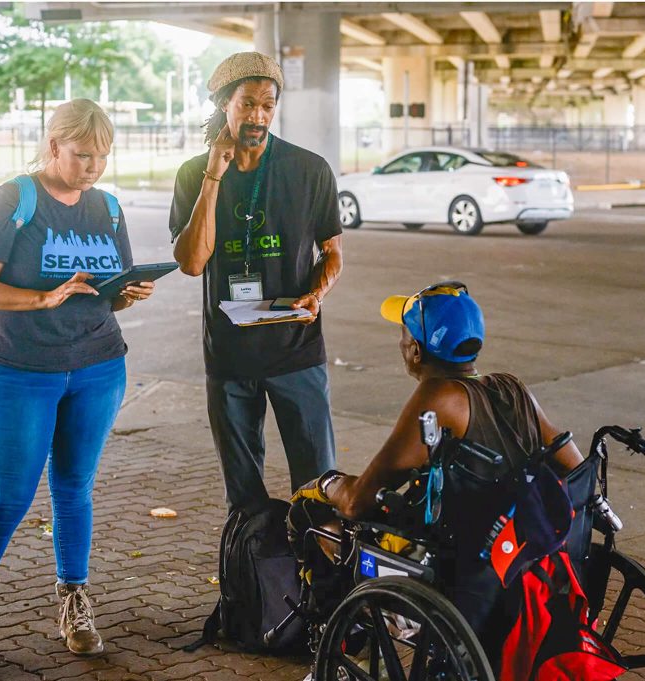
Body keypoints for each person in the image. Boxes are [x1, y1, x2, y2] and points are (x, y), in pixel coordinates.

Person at [0, 99, 156, 675]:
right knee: (7, 497)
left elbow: (107, 286)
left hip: (97, 365)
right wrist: (41, 297)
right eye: (83, 154)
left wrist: (124, 294)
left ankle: (74, 601)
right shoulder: (14, 199)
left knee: (74, 488)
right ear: (53, 145)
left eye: (103, 156)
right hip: (18, 366)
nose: (93, 167)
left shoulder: (108, 207)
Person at [290, 282, 584, 666]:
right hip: (522, 547)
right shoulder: (513, 388)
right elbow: (574, 467)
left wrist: (324, 484)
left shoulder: (438, 397)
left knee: (316, 522)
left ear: (415, 350)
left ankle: (341, 652)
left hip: (459, 563)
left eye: (403, 334)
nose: (401, 343)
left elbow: (358, 500)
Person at [168, 51, 344, 512]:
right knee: (243, 495)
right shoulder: (193, 174)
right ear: (224, 105)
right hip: (229, 356)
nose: (258, 115)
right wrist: (213, 174)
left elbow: (332, 253)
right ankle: (250, 582)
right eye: (247, 103)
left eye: (268, 105)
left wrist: (317, 293)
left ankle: (319, 581)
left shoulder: (309, 171)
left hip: (296, 350)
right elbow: (191, 262)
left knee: (318, 488)